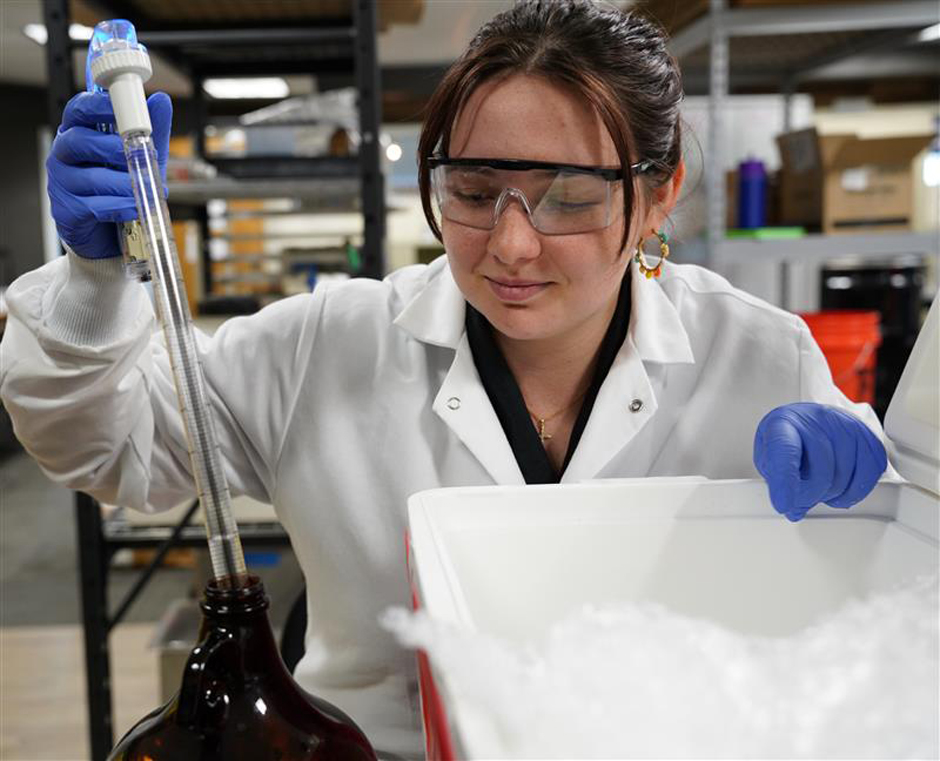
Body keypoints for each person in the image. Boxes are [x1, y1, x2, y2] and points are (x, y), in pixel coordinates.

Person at [0, 1, 888, 757]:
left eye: (568, 196)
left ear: (659, 194)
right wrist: (93, 280)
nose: (510, 244)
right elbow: (106, 447)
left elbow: (864, 600)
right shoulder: (327, 343)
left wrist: (876, 488)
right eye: (471, 189)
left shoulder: (760, 356)